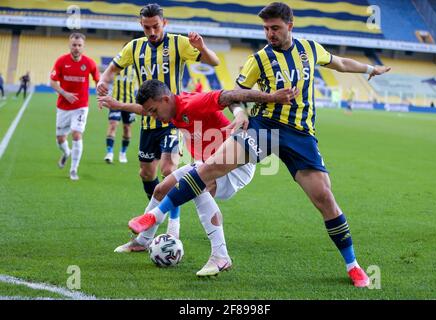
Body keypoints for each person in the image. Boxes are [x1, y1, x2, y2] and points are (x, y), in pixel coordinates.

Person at [128, 2, 391, 286]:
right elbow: (236, 95)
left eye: (275, 28)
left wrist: (369, 68)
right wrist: (241, 115)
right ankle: (154, 216)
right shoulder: (258, 59)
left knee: (325, 199)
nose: (270, 34)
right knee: (209, 168)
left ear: (290, 25)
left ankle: (352, 265)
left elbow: (339, 63)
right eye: (266, 29)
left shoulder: (311, 49)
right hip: (263, 127)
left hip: (301, 134)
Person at [98, 79, 298, 276]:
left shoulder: (193, 103)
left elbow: (229, 95)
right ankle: (143, 241)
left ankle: (221, 256)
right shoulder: (170, 109)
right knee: (161, 189)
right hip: (206, 163)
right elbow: (144, 109)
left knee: (198, 189)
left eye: (154, 111)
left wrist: (261, 102)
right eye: (150, 112)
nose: (153, 116)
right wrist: (118, 105)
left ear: (166, 100)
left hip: (234, 165)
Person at [97, 3, 220, 239]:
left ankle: (173, 226)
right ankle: (156, 213)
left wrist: (202, 47)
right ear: (140, 25)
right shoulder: (134, 47)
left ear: (164, 23)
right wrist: (104, 80)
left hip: (173, 119)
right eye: (147, 27)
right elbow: (111, 69)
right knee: (146, 173)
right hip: (148, 121)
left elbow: (214, 63)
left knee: (168, 169)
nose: (152, 32)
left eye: (156, 26)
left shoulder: (178, 43)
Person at [50, 33, 100, 180]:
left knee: (77, 134)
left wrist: (101, 95)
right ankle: (66, 153)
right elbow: (52, 82)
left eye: (79, 45)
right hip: (63, 106)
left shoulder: (89, 63)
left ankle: (73, 170)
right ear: (69, 45)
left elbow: (98, 80)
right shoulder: (61, 61)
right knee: (60, 138)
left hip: (81, 106)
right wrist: (65, 94)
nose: (76, 48)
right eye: (74, 45)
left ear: (83, 47)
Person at [104, 63, 137, 164]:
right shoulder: (115, 67)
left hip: (129, 103)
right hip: (115, 102)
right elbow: (105, 77)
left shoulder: (136, 68)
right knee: (113, 124)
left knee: (127, 128)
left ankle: (123, 153)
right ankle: (109, 153)